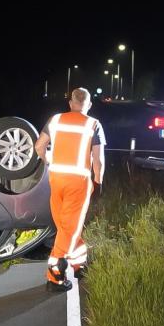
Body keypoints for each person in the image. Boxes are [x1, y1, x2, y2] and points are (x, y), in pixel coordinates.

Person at [32, 87, 105, 292]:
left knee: (66, 227)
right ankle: (54, 276)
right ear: (88, 105)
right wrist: (98, 183)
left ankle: (79, 264)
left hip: (56, 179)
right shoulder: (93, 124)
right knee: (69, 230)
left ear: (71, 103)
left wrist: (49, 162)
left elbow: (39, 147)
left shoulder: (55, 120)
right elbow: (98, 161)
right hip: (78, 183)